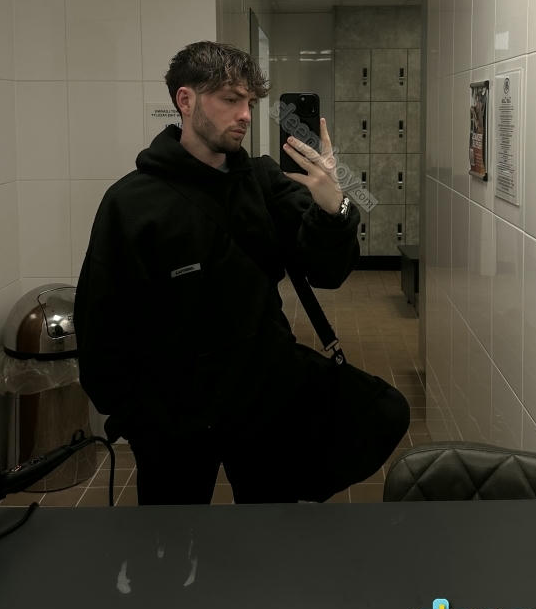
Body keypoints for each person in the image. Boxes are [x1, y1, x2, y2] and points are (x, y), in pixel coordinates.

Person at [74, 41, 359, 505]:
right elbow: (101, 318)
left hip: (263, 404)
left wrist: (333, 207)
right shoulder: (132, 203)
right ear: (185, 101)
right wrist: (134, 415)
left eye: (250, 102)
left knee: (269, 530)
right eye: (230, 99)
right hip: (172, 420)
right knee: (172, 538)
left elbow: (328, 272)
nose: (245, 114)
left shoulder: (264, 183)